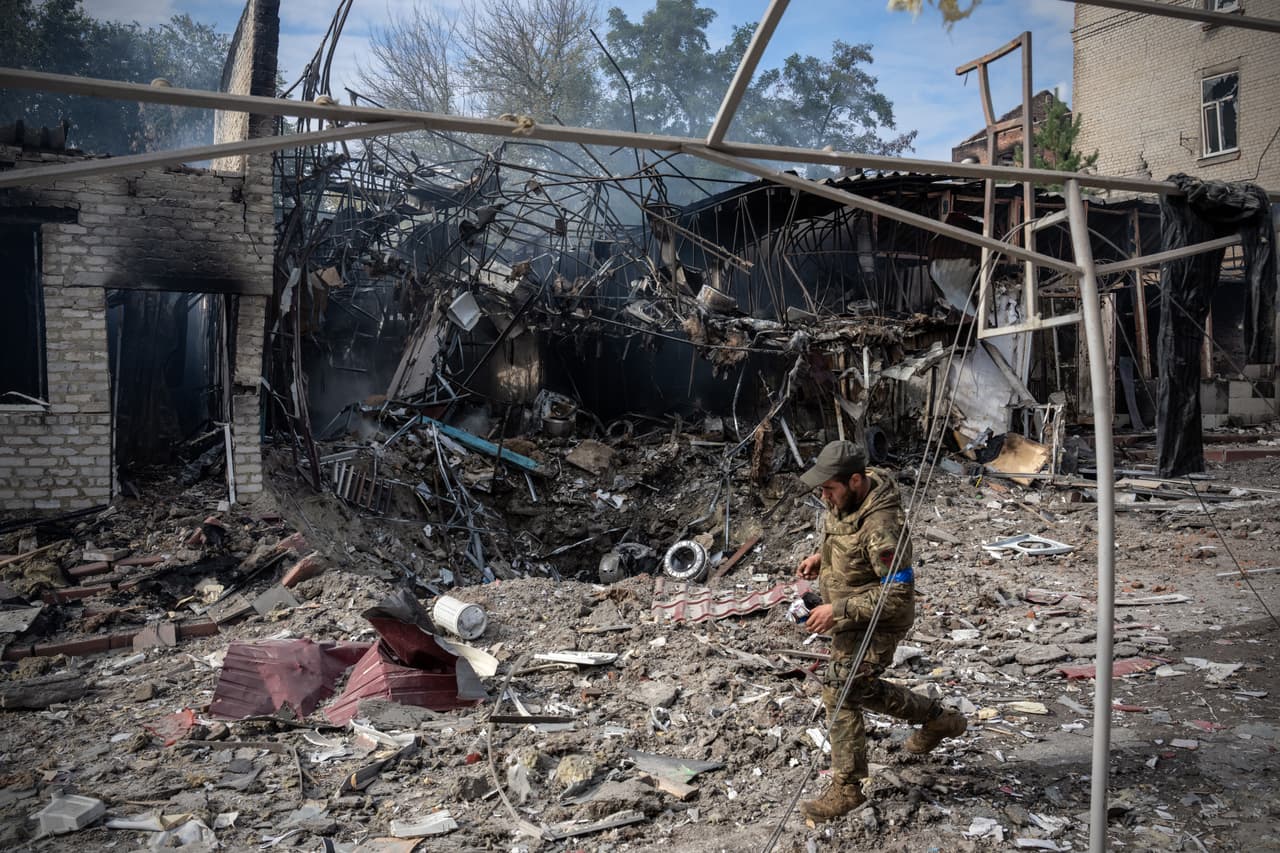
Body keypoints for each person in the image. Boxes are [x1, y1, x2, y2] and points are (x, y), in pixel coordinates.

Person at [793, 440, 966, 823]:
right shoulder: (849, 497)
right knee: (858, 688)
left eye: (829, 489)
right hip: (850, 615)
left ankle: (847, 789)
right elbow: (847, 537)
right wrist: (824, 559)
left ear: (856, 481)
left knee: (840, 691)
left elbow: (897, 595)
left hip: (879, 621)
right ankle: (938, 719)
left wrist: (836, 609)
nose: (824, 497)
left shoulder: (883, 528)